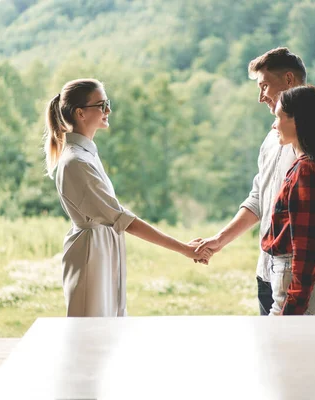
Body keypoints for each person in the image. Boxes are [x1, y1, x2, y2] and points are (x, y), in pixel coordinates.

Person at [195, 47, 315, 315]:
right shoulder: (273, 137)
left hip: (299, 273)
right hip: (267, 272)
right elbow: (258, 200)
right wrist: (218, 241)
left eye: (264, 86)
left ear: (288, 80)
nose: (261, 97)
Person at [43, 78, 211, 317]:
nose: (108, 110)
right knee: (91, 333)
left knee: (106, 329)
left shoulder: (85, 155)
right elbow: (123, 219)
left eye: (107, 103)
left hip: (101, 249)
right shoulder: (76, 162)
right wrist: (184, 249)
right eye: (101, 105)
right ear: (80, 113)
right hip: (91, 253)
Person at [262, 85, 315, 315]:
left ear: (297, 121)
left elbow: (306, 247)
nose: (274, 124)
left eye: (279, 117)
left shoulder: (305, 170)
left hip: (297, 285)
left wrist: (292, 308)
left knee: (280, 350)